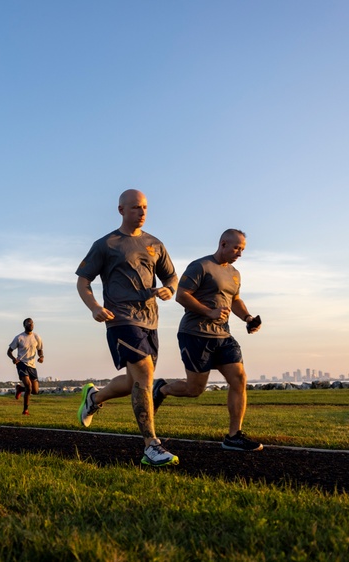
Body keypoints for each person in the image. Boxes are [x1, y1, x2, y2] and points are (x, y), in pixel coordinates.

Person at [75, 189, 179, 467]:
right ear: (121, 210)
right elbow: (83, 281)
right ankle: (151, 447)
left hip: (151, 321)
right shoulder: (106, 244)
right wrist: (95, 307)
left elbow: (171, 276)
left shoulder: (154, 244)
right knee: (144, 375)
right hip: (120, 319)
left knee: (136, 383)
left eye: (144, 207)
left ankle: (94, 397)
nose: (142, 212)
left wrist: (169, 289)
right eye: (135, 207)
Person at [153, 229, 264, 452]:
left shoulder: (234, 273)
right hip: (195, 334)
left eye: (242, 249)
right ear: (223, 244)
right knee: (195, 389)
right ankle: (162, 389)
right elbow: (182, 295)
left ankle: (234, 436)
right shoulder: (200, 266)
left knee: (239, 379)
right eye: (236, 248)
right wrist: (209, 312)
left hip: (223, 335)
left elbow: (235, 300)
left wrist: (248, 318)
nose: (239, 253)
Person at [7, 318, 45, 415]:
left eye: (32, 323)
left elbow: (40, 349)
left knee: (35, 391)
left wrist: (41, 357)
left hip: (32, 365)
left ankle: (20, 389)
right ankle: (25, 410)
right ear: (24, 325)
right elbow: (9, 351)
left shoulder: (37, 337)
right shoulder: (19, 337)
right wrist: (14, 359)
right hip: (21, 364)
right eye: (29, 323)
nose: (31, 324)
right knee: (28, 386)